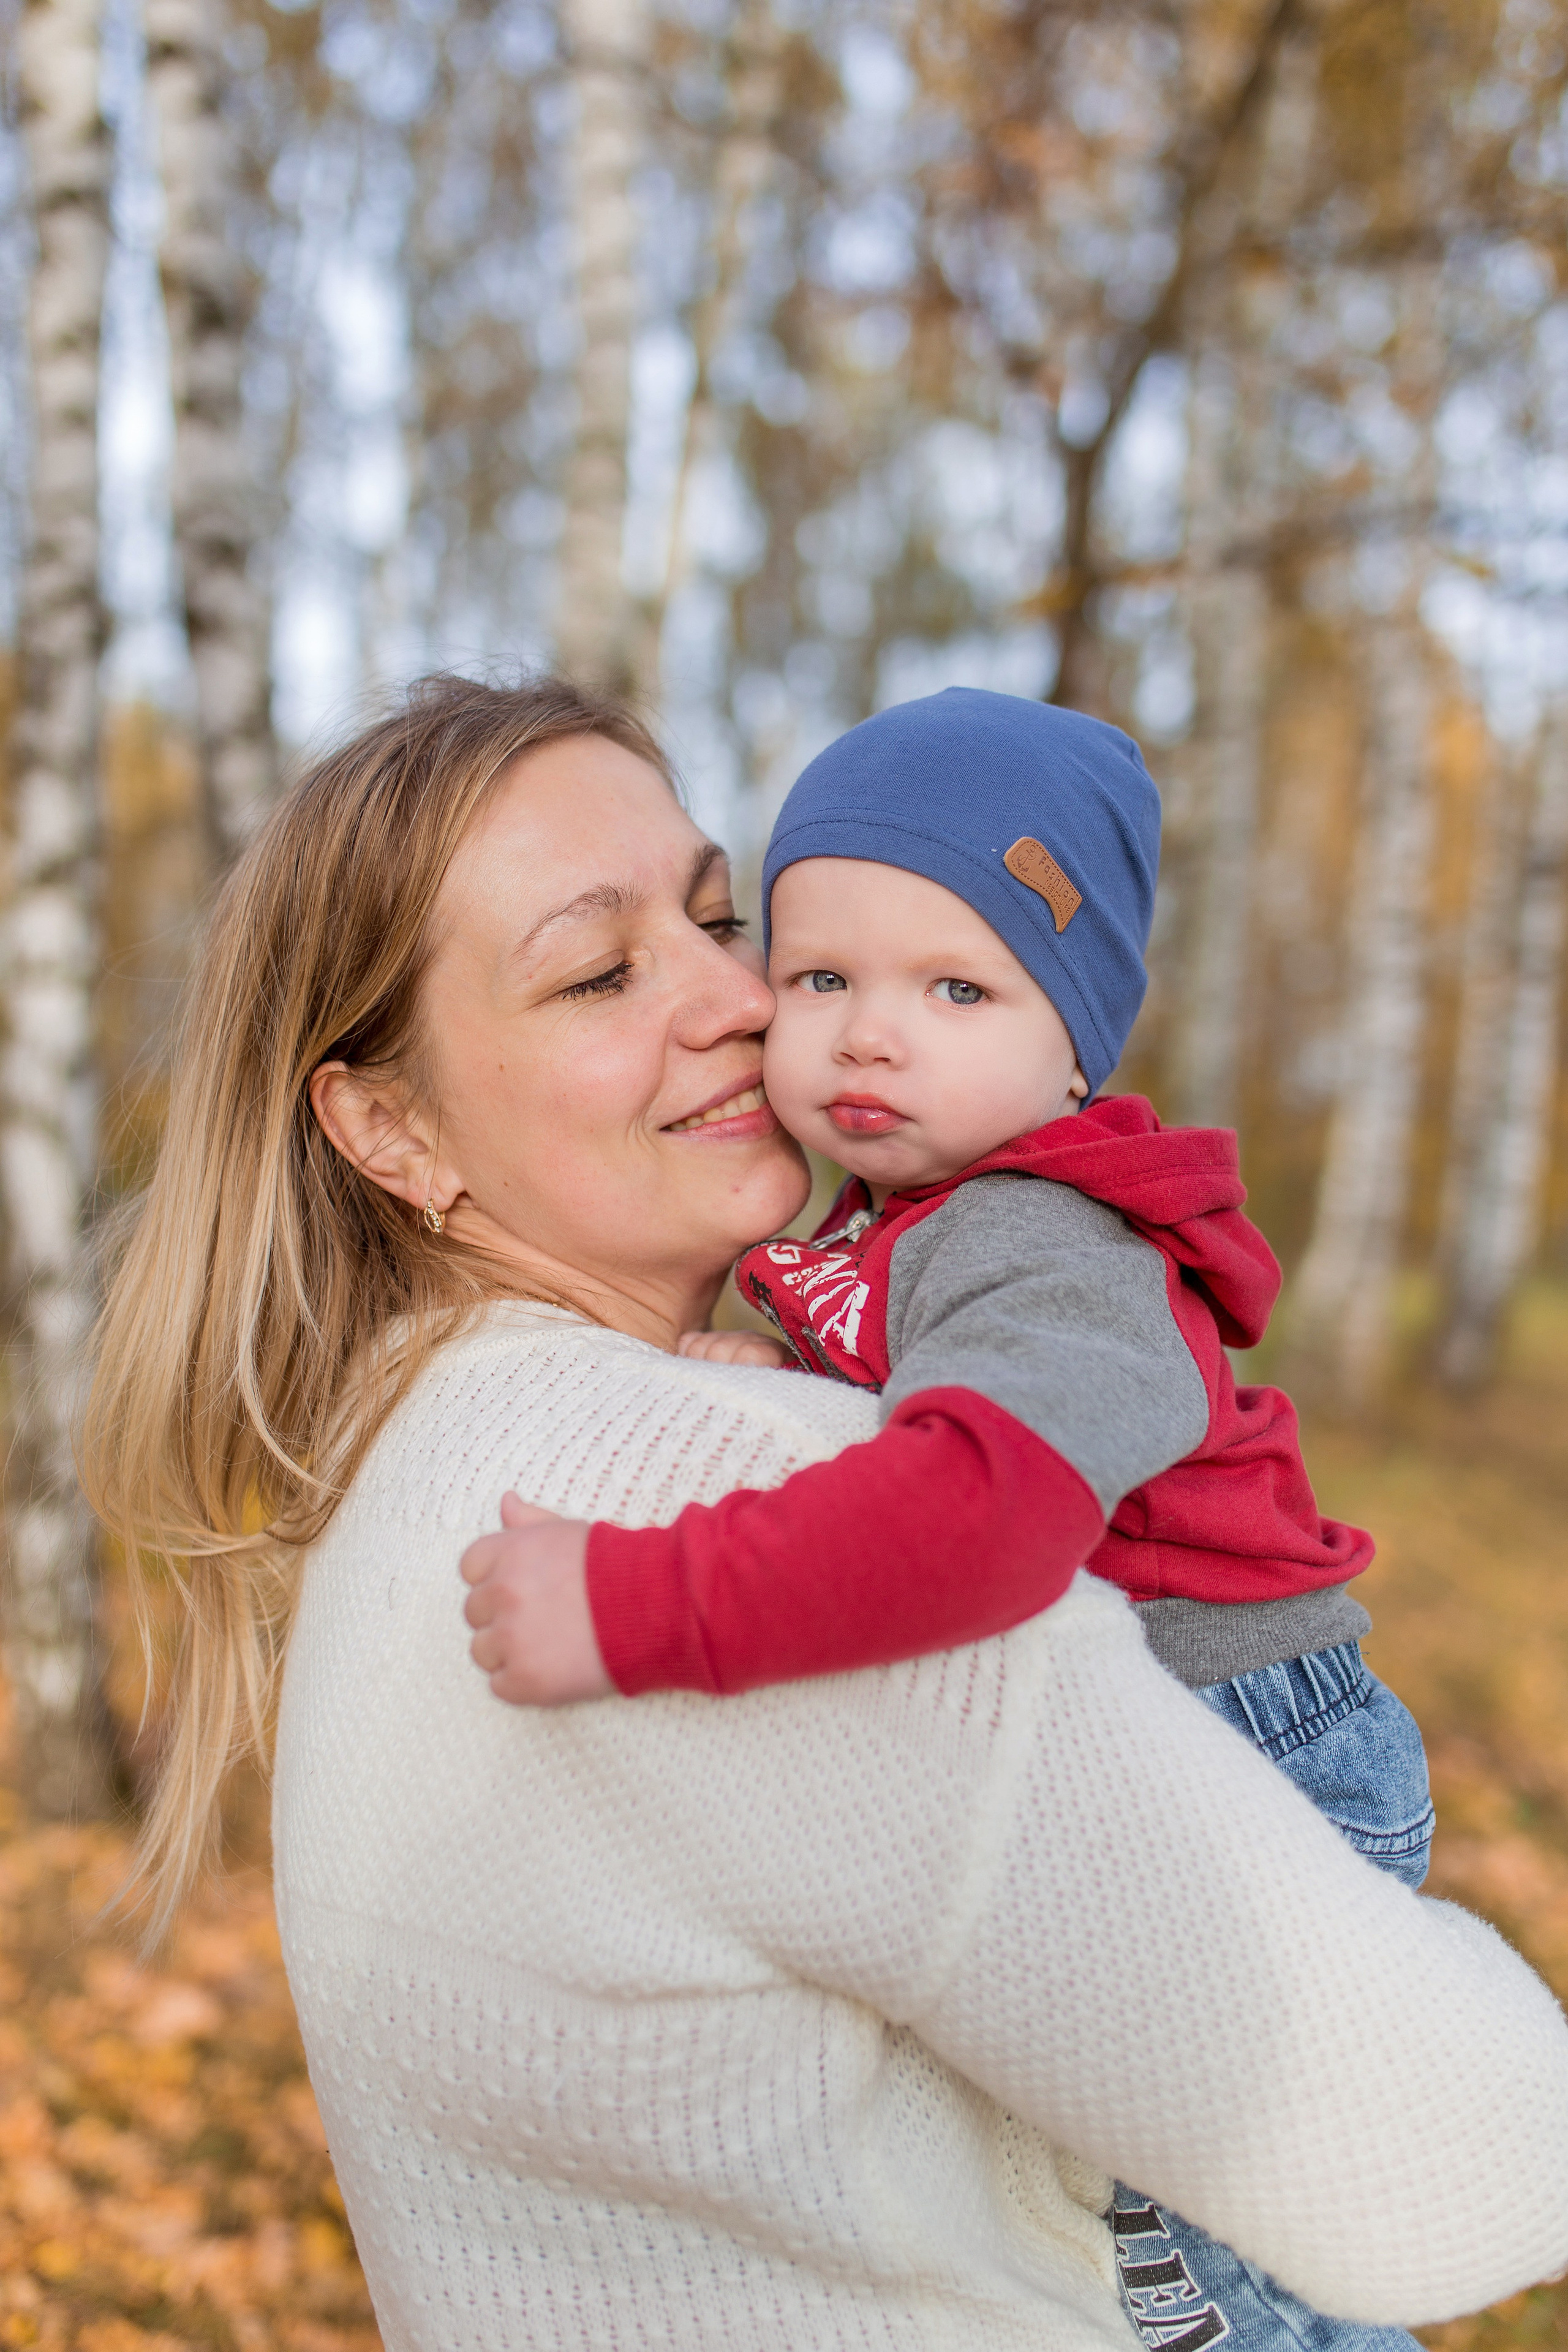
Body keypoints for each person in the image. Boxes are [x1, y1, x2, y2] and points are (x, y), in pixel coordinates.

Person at [81, 674, 1568, 2352]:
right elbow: (1470, 2157)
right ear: (390, 1127)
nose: (737, 995)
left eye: (721, 916)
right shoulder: (727, 1495)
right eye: (600, 968)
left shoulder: (397, 1473)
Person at [458, 685, 1438, 2348]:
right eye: (822, 975)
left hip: (1251, 1770)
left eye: (956, 986)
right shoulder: (916, 1218)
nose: (866, 1034)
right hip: (1161, 1762)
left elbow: (980, 1518)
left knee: (1190, 2281)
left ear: (1073, 1043)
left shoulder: (1047, 1242)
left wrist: (635, 1606)